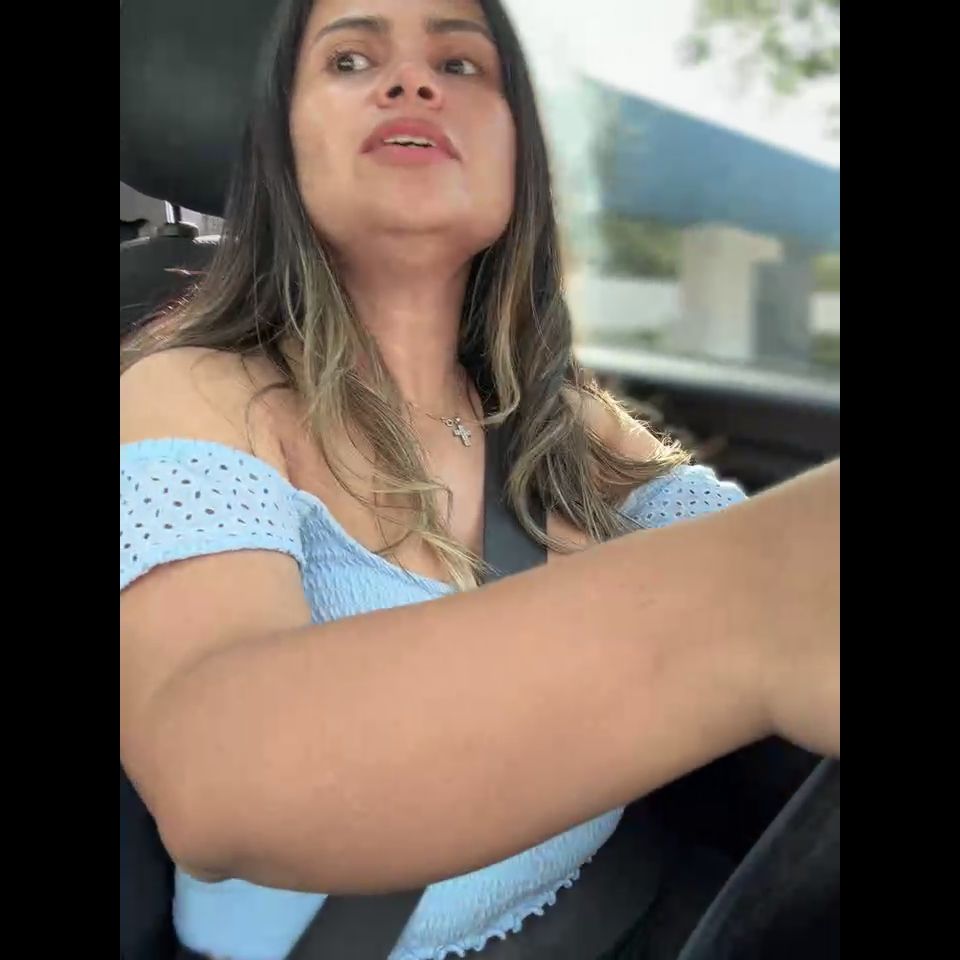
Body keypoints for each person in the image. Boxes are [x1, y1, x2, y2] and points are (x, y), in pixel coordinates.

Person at [119, 1, 840, 957]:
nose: (413, 80)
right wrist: (757, 603)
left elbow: (753, 554)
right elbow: (214, 771)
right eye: (349, 60)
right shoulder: (192, 390)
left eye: (461, 64)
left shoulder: (561, 412)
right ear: (279, 144)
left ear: (517, 155)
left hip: (619, 903)